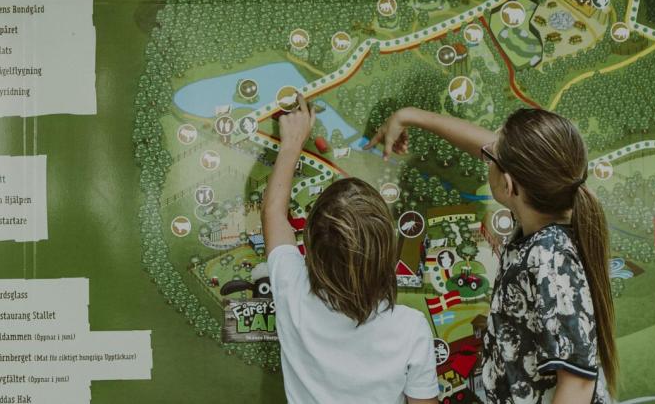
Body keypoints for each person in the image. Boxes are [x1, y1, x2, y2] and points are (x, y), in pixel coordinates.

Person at [372, 107, 616, 404]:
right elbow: (509, 156)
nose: (485, 155)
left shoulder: (550, 258)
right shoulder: (540, 218)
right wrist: (410, 116)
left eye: (491, 157)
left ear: (509, 185)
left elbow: (577, 384)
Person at [262, 104, 440, 404]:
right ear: (386, 254)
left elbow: (272, 214)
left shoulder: (291, 291)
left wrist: (292, 143)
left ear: (313, 250)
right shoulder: (411, 328)